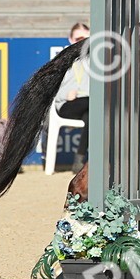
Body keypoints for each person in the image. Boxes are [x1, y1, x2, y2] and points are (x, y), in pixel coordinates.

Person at [54, 22, 90, 172]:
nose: (81, 42)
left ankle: (80, 159)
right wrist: (65, 94)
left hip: (89, 104)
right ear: (70, 39)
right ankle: (82, 158)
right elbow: (51, 89)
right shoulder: (61, 59)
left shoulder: (98, 60)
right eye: (78, 38)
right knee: (97, 106)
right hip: (67, 105)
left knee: (92, 116)